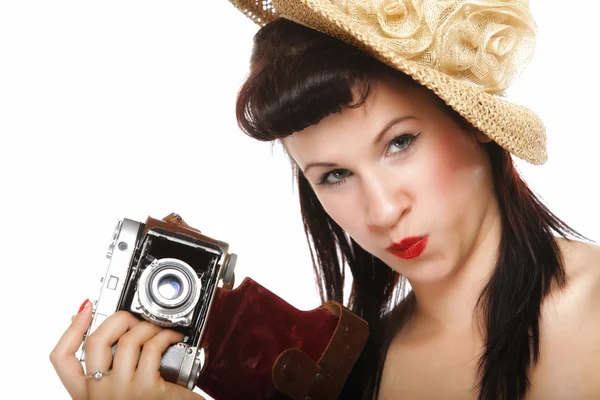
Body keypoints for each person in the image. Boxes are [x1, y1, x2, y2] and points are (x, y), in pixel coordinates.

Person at [51, 0, 600, 399]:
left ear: (474, 121)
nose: (383, 210)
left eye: (400, 143)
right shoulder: (350, 373)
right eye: (334, 175)